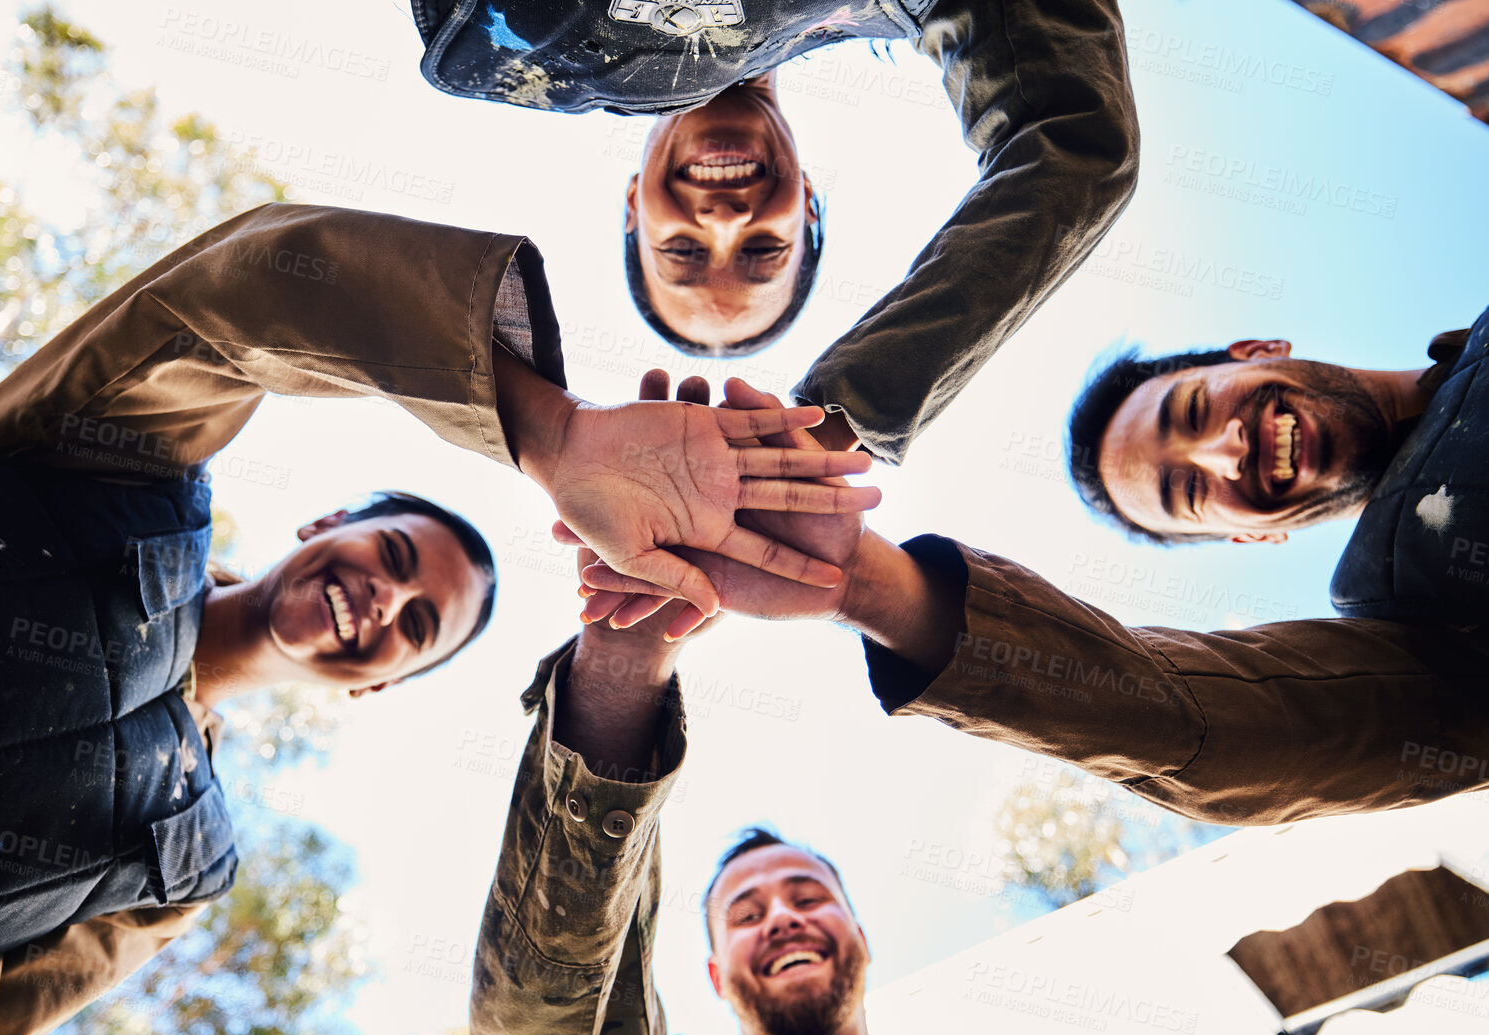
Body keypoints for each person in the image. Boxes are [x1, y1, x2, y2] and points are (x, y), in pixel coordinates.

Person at [0, 203, 876, 1035]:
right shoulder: (120, 480)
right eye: (390, 557)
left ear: (376, 687)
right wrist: (553, 433)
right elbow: (237, 297)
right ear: (327, 522)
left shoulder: (175, 862)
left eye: (414, 625)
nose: (379, 602)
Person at [573, 351, 1489, 827]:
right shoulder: (1426, 631)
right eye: (1189, 491)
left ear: (1252, 352)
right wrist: (864, 583)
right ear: (1252, 534)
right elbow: (1214, 727)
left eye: (1194, 410)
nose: (1225, 450)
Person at [469, 497, 1086, 1035]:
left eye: (809, 895)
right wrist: (625, 657)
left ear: (863, 936)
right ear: (714, 976)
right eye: (745, 914)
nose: (782, 918)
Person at [411, 0, 1138, 458]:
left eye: (683, 251)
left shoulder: (505, 59)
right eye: (764, 249)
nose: (724, 221)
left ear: (633, 206)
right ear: (809, 207)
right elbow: (1071, 145)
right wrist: (841, 421)